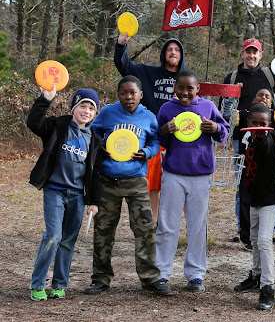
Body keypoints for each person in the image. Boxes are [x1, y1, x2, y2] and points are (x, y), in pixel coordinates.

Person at [84, 76, 169, 295]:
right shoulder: (107, 113)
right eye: (123, 93)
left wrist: (147, 153)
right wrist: (100, 146)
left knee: (145, 228)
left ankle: (150, 278)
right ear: (118, 95)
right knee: (103, 230)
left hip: (136, 181)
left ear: (140, 95)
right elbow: (91, 131)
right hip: (107, 180)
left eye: (133, 93)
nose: (128, 97)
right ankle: (100, 278)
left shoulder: (149, 117)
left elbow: (155, 141)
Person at [223, 30, 275, 244]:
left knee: (268, 180)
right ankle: (244, 228)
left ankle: (273, 228)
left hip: (268, 138)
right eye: (247, 52)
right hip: (240, 138)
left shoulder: (271, 74)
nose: (251, 56)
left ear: (260, 55)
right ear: (242, 54)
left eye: (255, 53)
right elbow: (224, 109)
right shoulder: (232, 78)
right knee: (242, 182)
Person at [155, 69, 230, 293]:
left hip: (200, 174)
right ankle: (161, 273)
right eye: (181, 87)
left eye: (190, 88)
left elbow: (224, 131)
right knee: (167, 225)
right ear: (174, 89)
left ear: (198, 89)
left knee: (197, 226)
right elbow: (159, 138)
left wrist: (216, 128)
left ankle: (195, 274)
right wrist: (164, 131)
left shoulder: (207, 107)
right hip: (173, 174)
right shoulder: (167, 109)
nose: (185, 92)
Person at [27, 86, 101, 301]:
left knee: (68, 241)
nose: (86, 111)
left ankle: (60, 285)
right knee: (53, 236)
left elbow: (94, 173)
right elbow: (34, 123)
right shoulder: (58, 125)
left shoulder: (94, 139)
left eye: (91, 108)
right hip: (55, 191)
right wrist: (45, 99)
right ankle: (37, 284)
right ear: (73, 107)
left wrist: (93, 202)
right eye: (82, 106)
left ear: (95, 114)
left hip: (77, 195)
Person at [114, 32, 186, 220]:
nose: (172, 52)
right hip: (153, 136)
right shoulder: (148, 73)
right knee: (153, 184)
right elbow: (125, 66)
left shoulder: (187, 80)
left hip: (180, 140)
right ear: (163, 54)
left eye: (176, 49)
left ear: (182, 55)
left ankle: (189, 228)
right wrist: (121, 45)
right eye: (169, 49)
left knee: (183, 184)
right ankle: (154, 224)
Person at [231, 76, 275, 250]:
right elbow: (228, 113)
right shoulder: (244, 115)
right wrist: (232, 96)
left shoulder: (273, 117)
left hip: (266, 169)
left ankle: (269, 230)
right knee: (244, 199)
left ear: (272, 104)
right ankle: (246, 235)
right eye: (260, 95)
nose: (263, 97)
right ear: (252, 100)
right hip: (246, 167)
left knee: (266, 200)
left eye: (267, 96)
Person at [233, 104, 275, 310]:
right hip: (253, 200)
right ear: (248, 124)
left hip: (269, 201)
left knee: (264, 240)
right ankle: (256, 275)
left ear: (269, 126)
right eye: (255, 124)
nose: (259, 128)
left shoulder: (267, 141)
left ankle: (267, 287)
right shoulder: (250, 143)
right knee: (254, 239)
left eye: (264, 124)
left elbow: (268, 142)